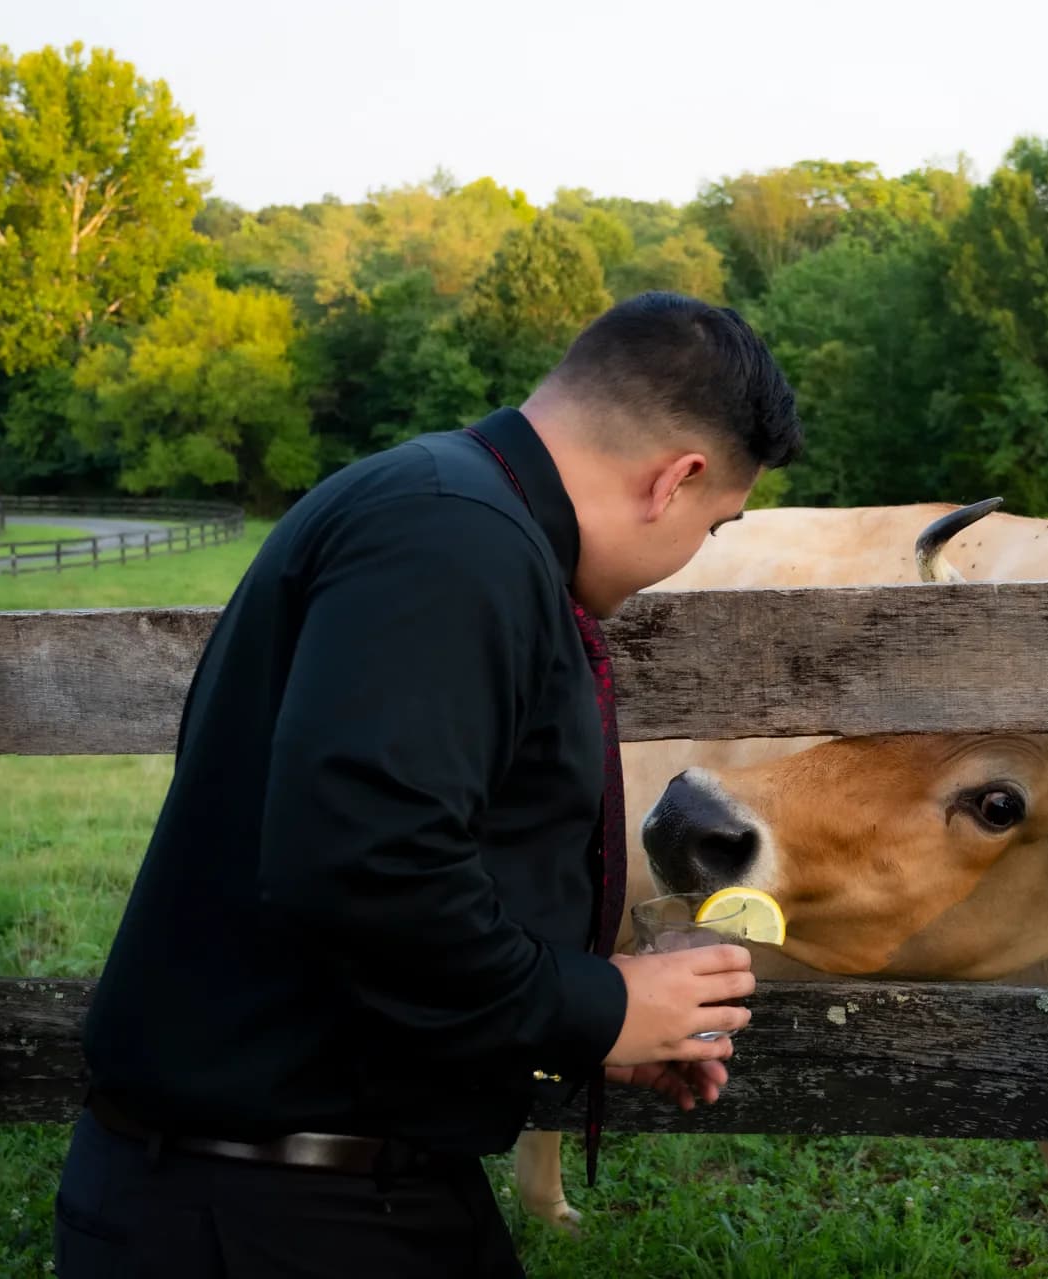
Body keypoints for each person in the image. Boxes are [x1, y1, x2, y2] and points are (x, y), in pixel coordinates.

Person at [53, 291, 803, 1277]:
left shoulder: (447, 512)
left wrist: (587, 1027)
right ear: (677, 480)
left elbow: (396, 862)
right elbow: (367, 867)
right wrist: (592, 1004)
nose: (690, 556)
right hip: (270, 1214)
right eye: (716, 527)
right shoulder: (454, 540)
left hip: (324, 1184)